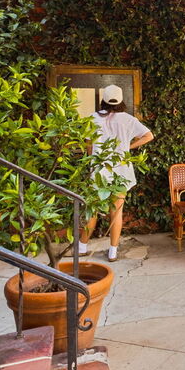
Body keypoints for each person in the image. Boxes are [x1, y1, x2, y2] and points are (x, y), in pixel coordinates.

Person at [79, 84, 154, 262]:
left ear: (103, 100)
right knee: (117, 212)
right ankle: (112, 252)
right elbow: (148, 135)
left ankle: (81, 247)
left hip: (99, 171)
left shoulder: (93, 118)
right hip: (121, 171)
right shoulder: (128, 119)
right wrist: (128, 147)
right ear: (121, 101)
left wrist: (93, 160)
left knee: (93, 210)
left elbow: (88, 145)